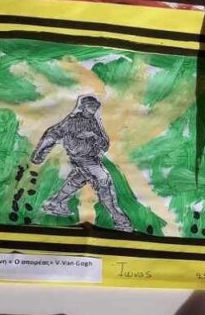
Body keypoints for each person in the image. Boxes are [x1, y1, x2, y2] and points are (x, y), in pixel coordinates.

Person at [32, 93, 133, 233]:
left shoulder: (93, 122)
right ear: (83, 107)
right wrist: (40, 153)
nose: (93, 109)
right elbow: (53, 134)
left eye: (95, 106)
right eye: (90, 106)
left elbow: (104, 145)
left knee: (78, 179)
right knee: (103, 179)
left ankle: (54, 203)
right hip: (82, 159)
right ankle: (119, 219)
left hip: (92, 158)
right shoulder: (72, 121)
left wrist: (94, 136)